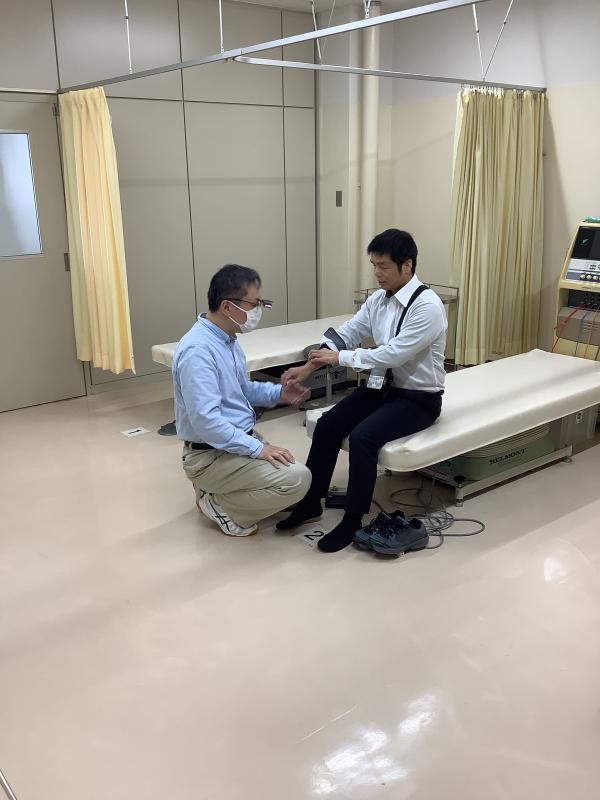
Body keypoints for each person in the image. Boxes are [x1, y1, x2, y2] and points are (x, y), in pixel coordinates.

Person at [277, 229, 448, 552]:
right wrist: (309, 367)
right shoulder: (378, 300)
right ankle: (310, 502)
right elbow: (346, 334)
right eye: (374, 266)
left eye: (383, 266)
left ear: (407, 265)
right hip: (381, 388)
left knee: (363, 438)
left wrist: (340, 358)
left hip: (418, 398)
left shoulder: (427, 307)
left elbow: (393, 354)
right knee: (327, 426)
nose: (377, 273)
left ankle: (353, 520)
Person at [173, 264, 311, 537]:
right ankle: (219, 504)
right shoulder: (197, 351)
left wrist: (279, 394)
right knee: (297, 480)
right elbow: (206, 422)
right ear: (227, 306)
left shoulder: (227, 340)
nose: (258, 310)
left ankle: (219, 490)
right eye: (254, 304)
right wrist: (257, 449)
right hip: (208, 455)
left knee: (290, 473)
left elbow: (241, 389)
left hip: (232, 441)